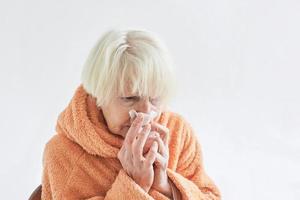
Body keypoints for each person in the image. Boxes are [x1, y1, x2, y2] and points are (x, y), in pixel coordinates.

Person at [41, 29, 221, 200]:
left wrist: (166, 185)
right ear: (98, 96)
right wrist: (135, 186)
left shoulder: (177, 133)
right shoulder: (63, 153)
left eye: (155, 98)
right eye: (130, 98)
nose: (145, 113)